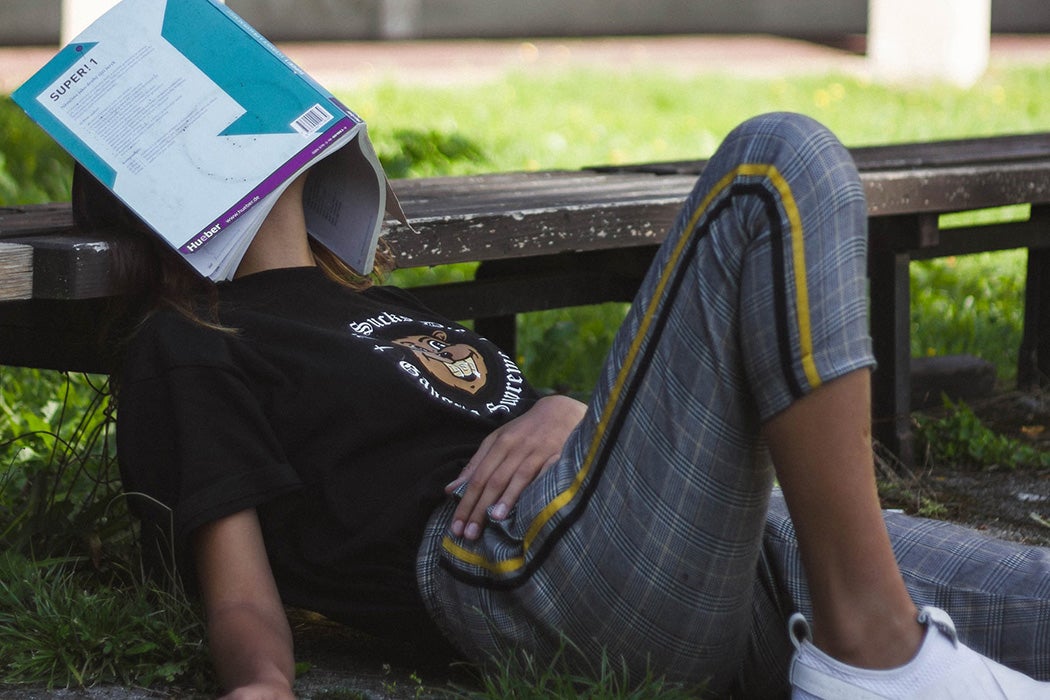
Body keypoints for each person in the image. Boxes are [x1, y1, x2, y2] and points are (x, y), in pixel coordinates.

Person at [95, 112, 1050, 699]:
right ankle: (871, 651)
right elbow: (241, 587)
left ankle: (860, 642)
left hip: (719, 550)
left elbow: (496, 422)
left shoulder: (374, 307)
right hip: (529, 577)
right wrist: (262, 682)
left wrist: (564, 410)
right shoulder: (193, 340)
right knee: (779, 160)